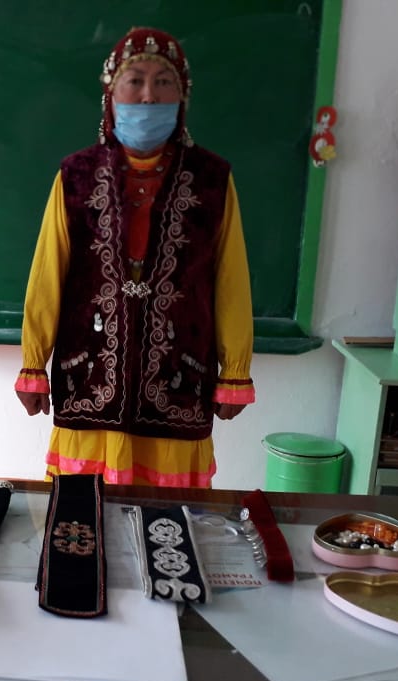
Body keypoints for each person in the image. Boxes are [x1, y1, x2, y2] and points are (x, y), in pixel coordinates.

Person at [14, 26, 255, 488]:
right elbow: (47, 273)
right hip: (89, 374)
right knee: (84, 512)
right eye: (135, 81)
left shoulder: (212, 179)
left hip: (179, 375)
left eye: (163, 82)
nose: (148, 96)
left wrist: (236, 371)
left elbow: (230, 280)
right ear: (111, 93)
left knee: (168, 519)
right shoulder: (76, 175)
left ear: (182, 95)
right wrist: (33, 363)